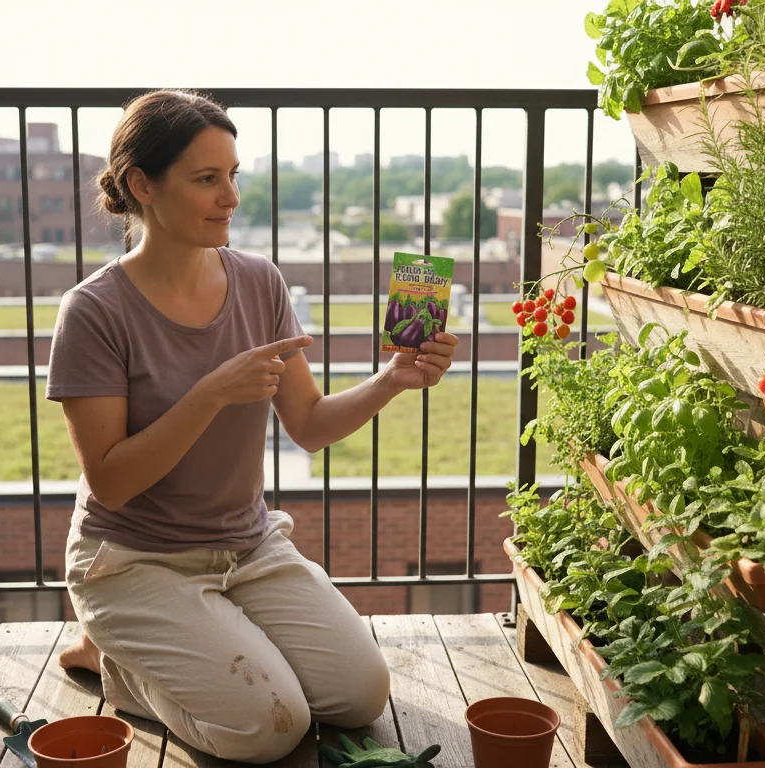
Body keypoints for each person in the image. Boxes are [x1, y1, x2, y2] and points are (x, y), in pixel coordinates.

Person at [46, 89, 460, 764]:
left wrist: (394, 379)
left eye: (233, 175)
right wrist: (210, 394)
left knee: (359, 695)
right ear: (140, 185)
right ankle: (117, 663)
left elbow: (310, 424)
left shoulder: (259, 282)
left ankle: (198, 641)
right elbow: (112, 482)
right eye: (206, 179)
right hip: (135, 559)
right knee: (270, 730)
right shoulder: (93, 311)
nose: (230, 197)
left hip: (247, 547)